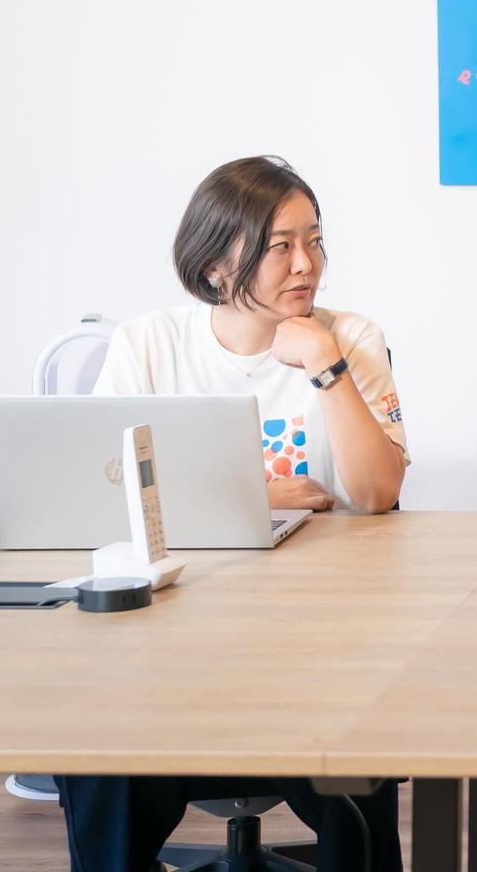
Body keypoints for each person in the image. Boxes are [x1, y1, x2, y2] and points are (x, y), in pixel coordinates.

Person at [55, 155, 407, 872]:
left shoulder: (351, 338)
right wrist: (259, 491)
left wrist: (327, 365)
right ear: (216, 264)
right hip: (172, 652)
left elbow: (376, 494)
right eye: (281, 245)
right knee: (95, 751)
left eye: (315, 240)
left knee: (360, 761)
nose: (307, 263)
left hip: (322, 650)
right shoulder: (149, 345)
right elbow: (104, 492)